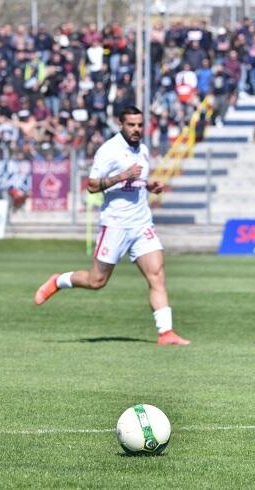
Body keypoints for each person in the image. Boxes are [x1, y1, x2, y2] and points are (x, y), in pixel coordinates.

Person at [33, 106, 190, 346]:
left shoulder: (143, 150)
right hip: (115, 224)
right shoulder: (109, 150)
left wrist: (148, 185)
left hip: (141, 223)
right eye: (132, 125)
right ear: (121, 125)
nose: (137, 129)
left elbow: (137, 179)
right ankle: (59, 280)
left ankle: (165, 332)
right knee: (97, 281)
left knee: (157, 275)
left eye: (139, 125)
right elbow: (92, 185)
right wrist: (121, 176)